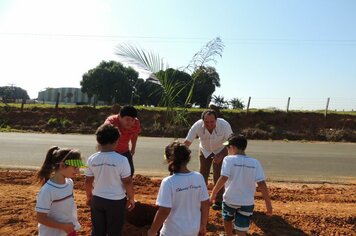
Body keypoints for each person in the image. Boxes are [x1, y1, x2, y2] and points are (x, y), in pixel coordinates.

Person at [210, 134, 273, 236]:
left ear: (233, 148)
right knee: (241, 228)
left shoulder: (228, 159)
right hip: (247, 202)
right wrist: (268, 204)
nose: (227, 149)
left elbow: (223, 178)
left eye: (228, 147)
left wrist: (213, 194)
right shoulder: (255, 162)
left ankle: (229, 234)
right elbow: (262, 184)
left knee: (227, 219)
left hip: (230, 199)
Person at [148, 142, 210, 236]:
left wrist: (152, 231)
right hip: (193, 230)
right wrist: (203, 224)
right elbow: (205, 203)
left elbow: (164, 210)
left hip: (172, 232)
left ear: (169, 159)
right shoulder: (199, 177)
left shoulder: (168, 182)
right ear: (188, 158)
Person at [85, 123, 135, 236]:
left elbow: (88, 181)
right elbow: (127, 181)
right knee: (114, 230)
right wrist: (131, 198)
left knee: (97, 230)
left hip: (97, 199)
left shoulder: (92, 159)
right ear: (117, 141)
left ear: (98, 140)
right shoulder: (121, 160)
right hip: (116, 201)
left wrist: (89, 196)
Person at [184, 109, 233, 210]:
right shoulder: (197, 126)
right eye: (206, 122)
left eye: (212, 122)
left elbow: (230, 142)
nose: (209, 124)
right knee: (202, 174)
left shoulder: (224, 125)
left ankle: (219, 201)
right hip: (204, 150)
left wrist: (221, 154)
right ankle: (202, 199)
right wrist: (178, 155)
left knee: (218, 175)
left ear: (216, 120)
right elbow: (187, 142)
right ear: (202, 121)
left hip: (220, 149)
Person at [35, 146, 86, 236]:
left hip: (69, 230)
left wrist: (68, 227)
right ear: (62, 165)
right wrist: (63, 226)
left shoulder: (69, 183)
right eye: (75, 167)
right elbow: (41, 218)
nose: (78, 171)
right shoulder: (47, 190)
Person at [104, 105, 141, 176]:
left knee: (130, 172)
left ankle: (123, 186)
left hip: (124, 150)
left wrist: (133, 148)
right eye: (127, 119)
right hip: (110, 151)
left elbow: (134, 135)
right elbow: (103, 138)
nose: (130, 122)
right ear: (120, 117)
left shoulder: (136, 123)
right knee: (111, 173)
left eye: (132, 120)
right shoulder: (111, 122)